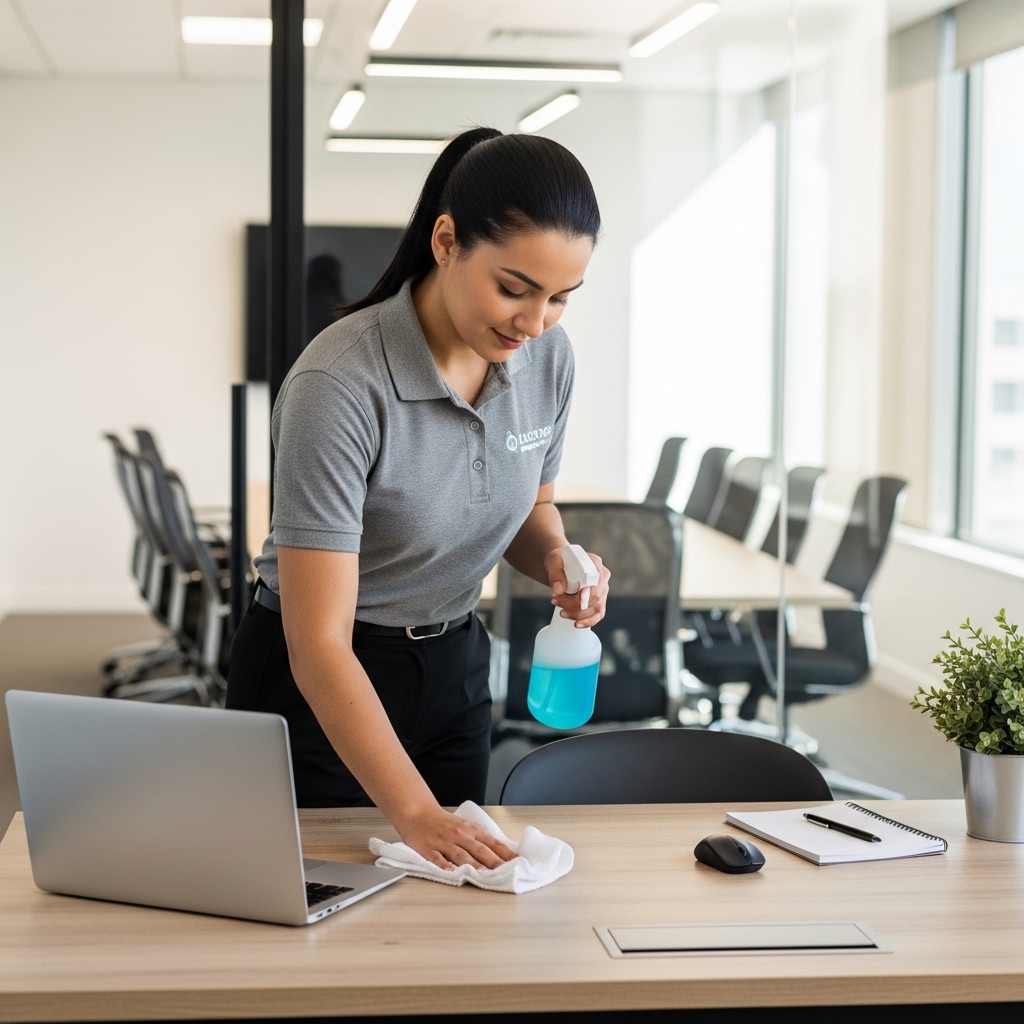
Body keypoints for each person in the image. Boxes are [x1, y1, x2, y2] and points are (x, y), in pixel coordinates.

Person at [227, 127, 610, 873]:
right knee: (319, 912)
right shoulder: (339, 383)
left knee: (453, 908)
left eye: (561, 297)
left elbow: (531, 509)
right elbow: (319, 645)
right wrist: (414, 811)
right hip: (325, 678)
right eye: (513, 288)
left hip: (454, 664)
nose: (533, 324)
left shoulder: (547, 360)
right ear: (445, 241)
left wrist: (559, 561)